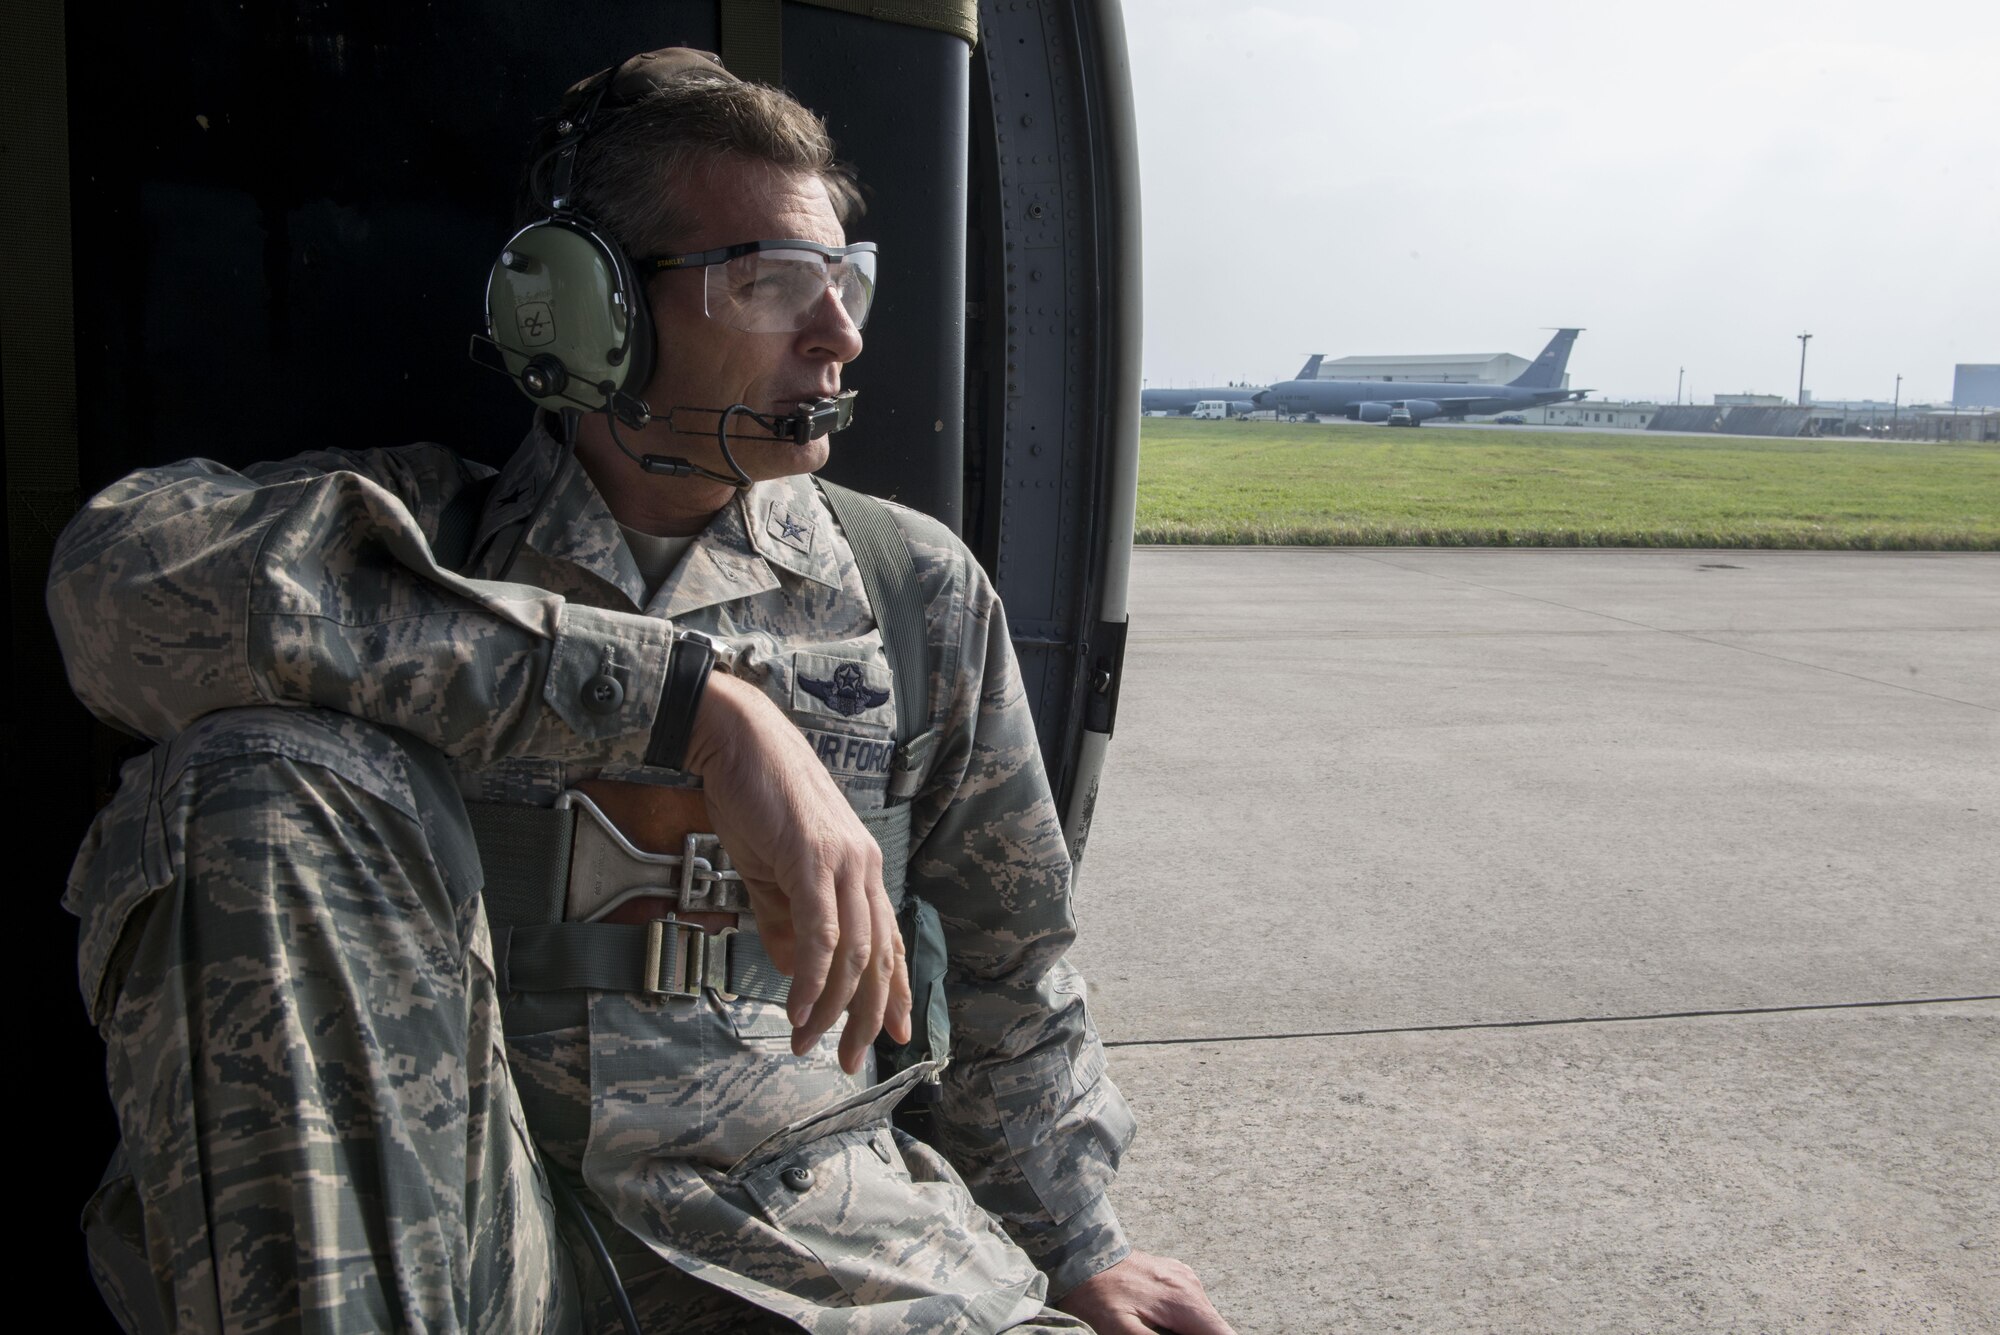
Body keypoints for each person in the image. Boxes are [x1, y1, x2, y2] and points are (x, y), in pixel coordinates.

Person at [51, 47, 1233, 1335]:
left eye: (848, 281)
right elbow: (116, 586)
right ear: (585, 307)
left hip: (816, 1246)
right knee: (253, 781)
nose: (837, 332)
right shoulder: (411, 552)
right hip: (452, 1245)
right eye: (776, 282)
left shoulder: (913, 589)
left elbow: (1018, 967)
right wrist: (689, 708)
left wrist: (1076, 1244)